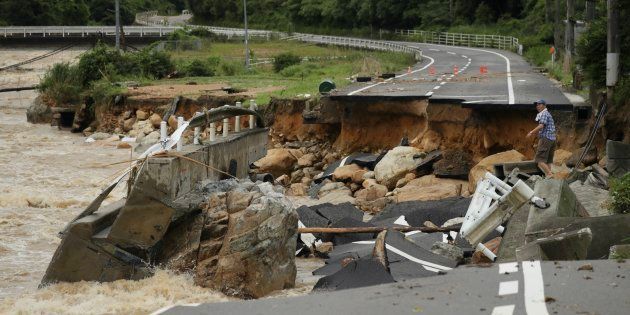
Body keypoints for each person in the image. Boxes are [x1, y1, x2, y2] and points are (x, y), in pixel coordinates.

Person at [527, 99, 556, 177]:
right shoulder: (548, 114)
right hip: (552, 139)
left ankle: (549, 175)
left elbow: (541, 126)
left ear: (544, 105)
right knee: (548, 161)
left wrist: (531, 132)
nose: (538, 106)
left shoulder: (544, 114)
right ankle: (550, 177)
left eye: (540, 104)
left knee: (539, 160)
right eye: (537, 105)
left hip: (546, 138)